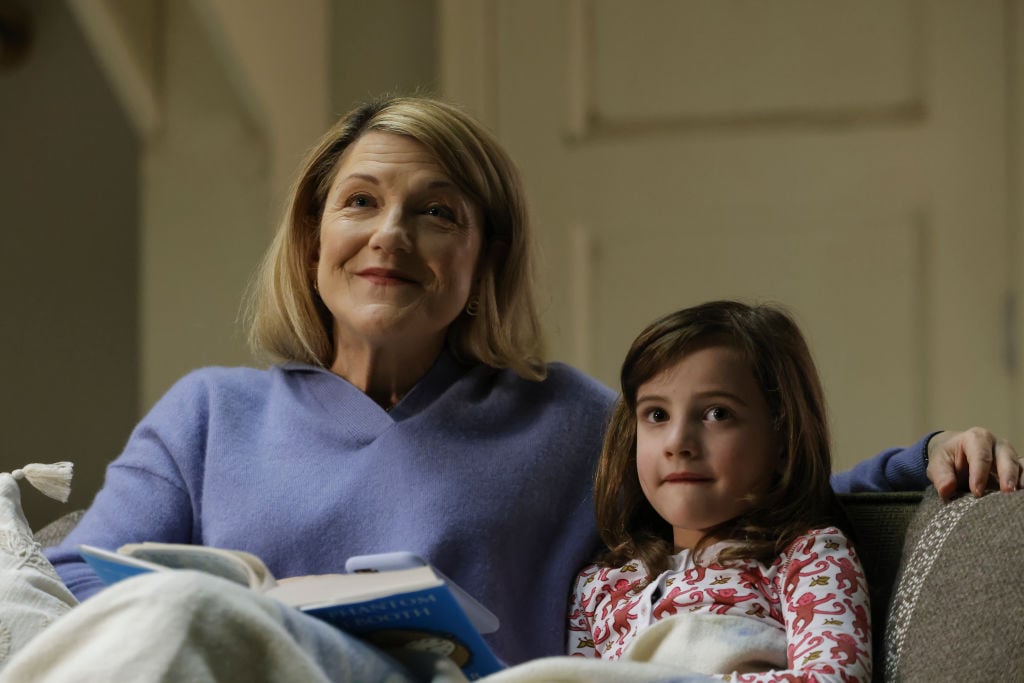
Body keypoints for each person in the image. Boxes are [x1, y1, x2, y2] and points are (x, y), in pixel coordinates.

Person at [2, 96, 1018, 680]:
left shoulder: (567, 421)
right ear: (314, 237)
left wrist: (916, 460)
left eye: (435, 211)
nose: (390, 234)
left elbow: (731, 487)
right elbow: (78, 592)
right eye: (361, 201)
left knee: (183, 616)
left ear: (483, 258)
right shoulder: (208, 412)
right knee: (170, 613)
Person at [569, 301, 871, 680]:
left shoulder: (807, 558)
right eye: (657, 415)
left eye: (717, 413)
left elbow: (832, 679)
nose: (678, 442)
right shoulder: (599, 586)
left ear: (781, 438)